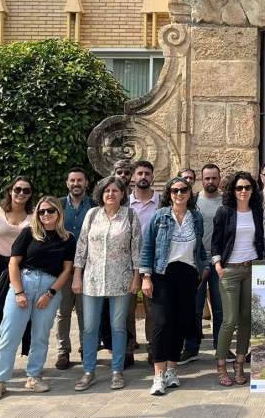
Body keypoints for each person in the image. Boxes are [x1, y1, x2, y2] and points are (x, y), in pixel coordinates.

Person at [0, 197, 76, 400]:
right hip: (24, 284)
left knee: (40, 336)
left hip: (49, 288)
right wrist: (18, 292)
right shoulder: (29, 233)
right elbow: (13, 264)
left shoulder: (67, 238)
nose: (46, 214)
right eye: (42, 211)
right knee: (9, 334)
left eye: (50, 210)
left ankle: (34, 376)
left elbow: (67, 269)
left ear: (59, 212)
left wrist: (50, 293)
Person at [141, 177, 210, 395]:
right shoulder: (159, 216)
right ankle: (158, 375)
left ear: (190, 193)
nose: (179, 194)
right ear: (169, 194)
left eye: (183, 190)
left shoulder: (196, 218)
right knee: (162, 322)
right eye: (174, 190)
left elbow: (200, 248)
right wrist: (146, 276)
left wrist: (204, 267)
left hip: (188, 275)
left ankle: (172, 369)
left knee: (181, 322)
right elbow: (148, 247)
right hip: (163, 274)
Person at [72, 176, 141, 392]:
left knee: (118, 327)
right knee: (90, 327)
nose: (110, 194)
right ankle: (89, 371)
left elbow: (137, 248)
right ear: (101, 195)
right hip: (92, 280)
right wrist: (77, 275)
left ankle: (117, 370)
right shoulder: (92, 215)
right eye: (106, 191)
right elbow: (82, 246)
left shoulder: (130, 216)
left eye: (115, 190)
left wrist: (137, 276)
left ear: (122, 194)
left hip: (121, 278)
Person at [212, 171, 265, 386]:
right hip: (230, 271)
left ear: (253, 190)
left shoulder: (257, 212)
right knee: (230, 319)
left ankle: (240, 364)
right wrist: (217, 265)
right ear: (232, 191)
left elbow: (260, 239)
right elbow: (215, 241)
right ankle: (222, 365)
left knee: (246, 319)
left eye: (247, 187)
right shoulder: (224, 212)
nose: (243, 191)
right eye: (239, 188)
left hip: (251, 268)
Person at [0, 176, 34, 352]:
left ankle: (28, 356)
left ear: (30, 194)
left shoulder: (35, 215)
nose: (21, 193)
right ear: (10, 191)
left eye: (26, 190)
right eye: (18, 189)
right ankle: (1, 357)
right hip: (1, 266)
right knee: (1, 313)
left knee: (28, 313)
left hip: (26, 268)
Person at [181, 164, 225, 364]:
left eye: (214, 178)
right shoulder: (194, 202)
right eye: (207, 178)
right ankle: (191, 347)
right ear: (201, 179)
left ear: (219, 179)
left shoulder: (227, 202)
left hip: (220, 262)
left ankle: (221, 347)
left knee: (220, 308)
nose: (210, 182)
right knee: (194, 307)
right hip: (196, 262)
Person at [55, 167, 96, 370]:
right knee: (63, 313)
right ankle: (63, 351)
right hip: (63, 268)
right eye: (72, 180)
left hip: (89, 268)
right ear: (67, 183)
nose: (76, 184)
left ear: (86, 183)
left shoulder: (95, 206)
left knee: (84, 312)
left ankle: (84, 349)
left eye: (80, 180)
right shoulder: (58, 206)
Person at [128, 160, 160, 366]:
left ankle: (152, 348)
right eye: (140, 173)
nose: (143, 177)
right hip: (127, 263)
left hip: (154, 263)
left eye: (147, 173)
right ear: (133, 177)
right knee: (127, 309)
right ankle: (128, 348)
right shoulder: (124, 204)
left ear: (152, 177)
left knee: (152, 310)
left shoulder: (162, 203)